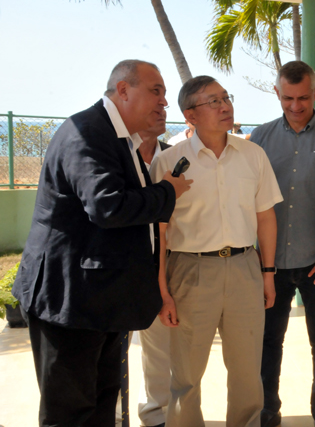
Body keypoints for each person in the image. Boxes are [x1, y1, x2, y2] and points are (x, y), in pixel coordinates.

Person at [12, 59, 192, 427]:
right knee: (70, 411)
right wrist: (166, 192)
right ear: (123, 90)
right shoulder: (87, 132)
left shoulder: (117, 137)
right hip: (71, 301)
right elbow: (107, 206)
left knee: (99, 403)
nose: (164, 102)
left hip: (102, 300)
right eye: (155, 91)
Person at [150, 75, 283, 427]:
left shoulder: (253, 155)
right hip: (189, 271)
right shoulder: (168, 163)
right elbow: (158, 235)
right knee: (187, 375)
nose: (225, 106)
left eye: (226, 98)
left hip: (244, 268)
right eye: (213, 101)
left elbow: (266, 217)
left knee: (246, 373)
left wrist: (268, 274)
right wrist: (163, 291)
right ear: (189, 115)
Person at [250, 61, 315, 427]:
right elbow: (247, 200)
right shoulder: (259, 139)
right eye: (287, 98)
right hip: (270, 264)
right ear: (277, 93)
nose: (295, 105)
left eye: (303, 97)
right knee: (268, 343)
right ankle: (268, 414)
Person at [137, 110, 173, 427]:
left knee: (169, 333)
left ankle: (176, 410)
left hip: (176, 254)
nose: (162, 111)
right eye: (154, 107)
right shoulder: (121, 157)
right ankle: (155, 411)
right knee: (152, 337)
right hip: (134, 258)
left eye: (164, 108)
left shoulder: (174, 156)